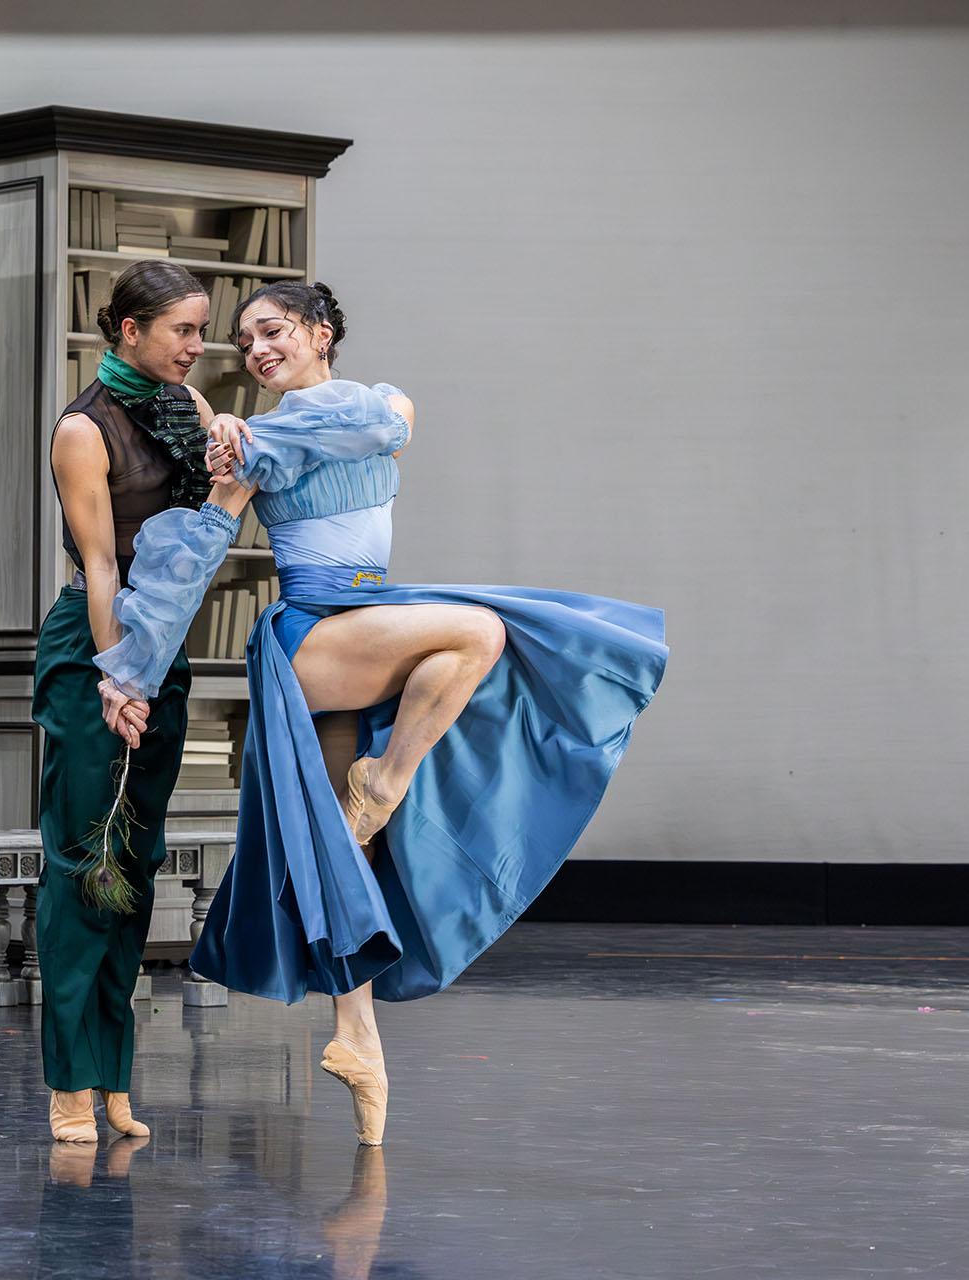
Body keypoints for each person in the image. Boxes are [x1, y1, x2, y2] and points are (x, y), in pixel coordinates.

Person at [93, 281, 668, 1148]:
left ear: (322, 334)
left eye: (272, 331)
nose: (254, 351)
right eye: (243, 342)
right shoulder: (251, 446)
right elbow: (196, 556)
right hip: (315, 633)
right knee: (476, 629)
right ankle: (387, 781)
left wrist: (253, 437)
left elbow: (376, 425)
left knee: (342, 849)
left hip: (370, 619)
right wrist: (130, 672)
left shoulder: (367, 409)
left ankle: (358, 1041)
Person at [34, 259, 251, 1144]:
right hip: (97, 644)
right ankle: (69, 1081)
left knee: (138, 861)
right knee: (85, 860)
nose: (200, 347)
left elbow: (203, 537)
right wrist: (119, 673)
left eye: (203, 330)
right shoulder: (82, 430)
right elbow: (103, 569)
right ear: (129, 330)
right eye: (184, 332)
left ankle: (115, 1074)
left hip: (162, 648)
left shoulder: (189, 410)